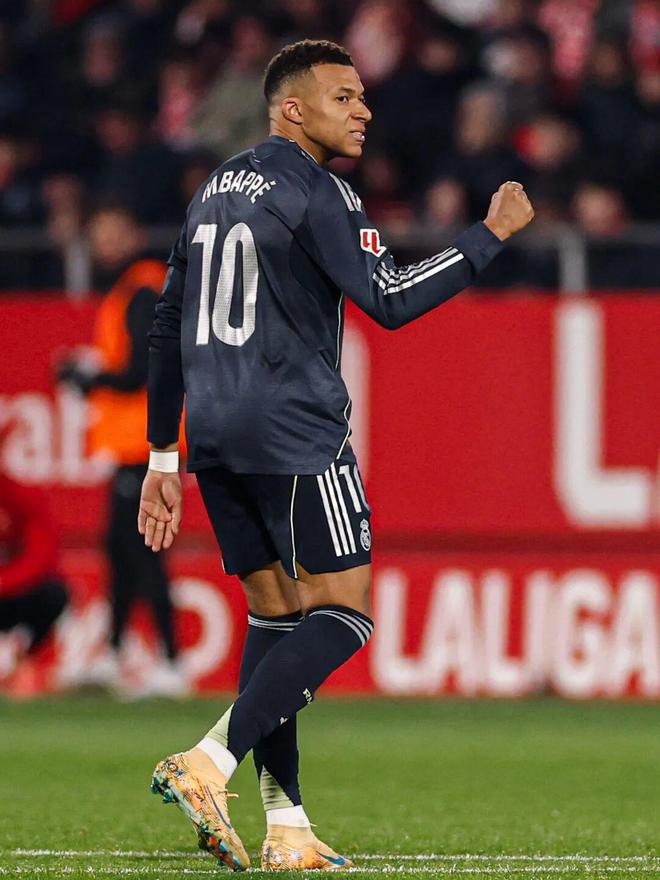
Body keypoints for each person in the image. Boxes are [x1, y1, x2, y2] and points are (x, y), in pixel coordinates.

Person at [139, 39, 534, 871]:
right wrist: (487, 237)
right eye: (344, 97)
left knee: (276, 617)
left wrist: (163, 456)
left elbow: (168, 323)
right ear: (292, 109)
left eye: (362, 96)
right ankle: (208, 761)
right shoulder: (319, 190)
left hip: (214, 432)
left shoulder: (211, 190)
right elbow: (387, 299)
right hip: (293, 426)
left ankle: (287, 824)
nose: (363, 110)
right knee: (344, 614)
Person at [57, 204, 185, 697]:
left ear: (134, 234)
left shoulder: (143, 288)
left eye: (114, 233)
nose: (105, 244)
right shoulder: (132, 289)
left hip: (146, 447)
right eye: (99, 234)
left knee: (144, 553)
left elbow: (139, 371)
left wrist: (89, 378)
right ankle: (114, 653)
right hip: (135, 445)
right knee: (121, 549)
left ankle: (171, 662)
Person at [0, 464, 69, 696]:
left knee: (53, 594)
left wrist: (4, 582)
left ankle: (26, 664)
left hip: (13, 595)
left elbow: (40, 557)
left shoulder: (22, 495)